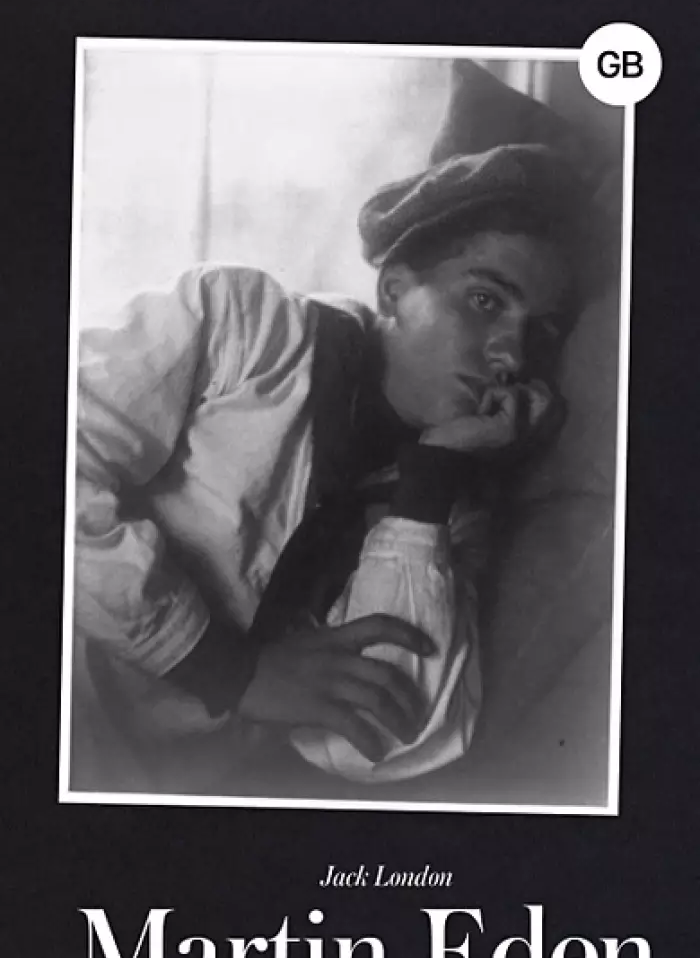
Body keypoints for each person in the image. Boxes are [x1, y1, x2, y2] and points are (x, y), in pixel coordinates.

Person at [71, 144, 595, 793]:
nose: (511, 356)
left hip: (174, 799)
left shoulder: (449, 505)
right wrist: (227, 669)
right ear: (395, 288)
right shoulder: (241, 323)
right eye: (485, 300)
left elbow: (379, 738)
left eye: (540, 334)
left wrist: (431, 476)